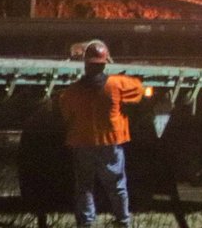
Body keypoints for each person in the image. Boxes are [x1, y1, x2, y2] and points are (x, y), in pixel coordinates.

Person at [59, 39, 143, 228]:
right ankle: (123, 221)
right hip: (110, 144)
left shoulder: (73, 91)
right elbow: (138, 91)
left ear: (86, 64)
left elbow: (66, 113)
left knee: (85, 186)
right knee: (117, 186)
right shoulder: (117, 84)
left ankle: (87, 223)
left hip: (83, 143)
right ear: (105, 63)